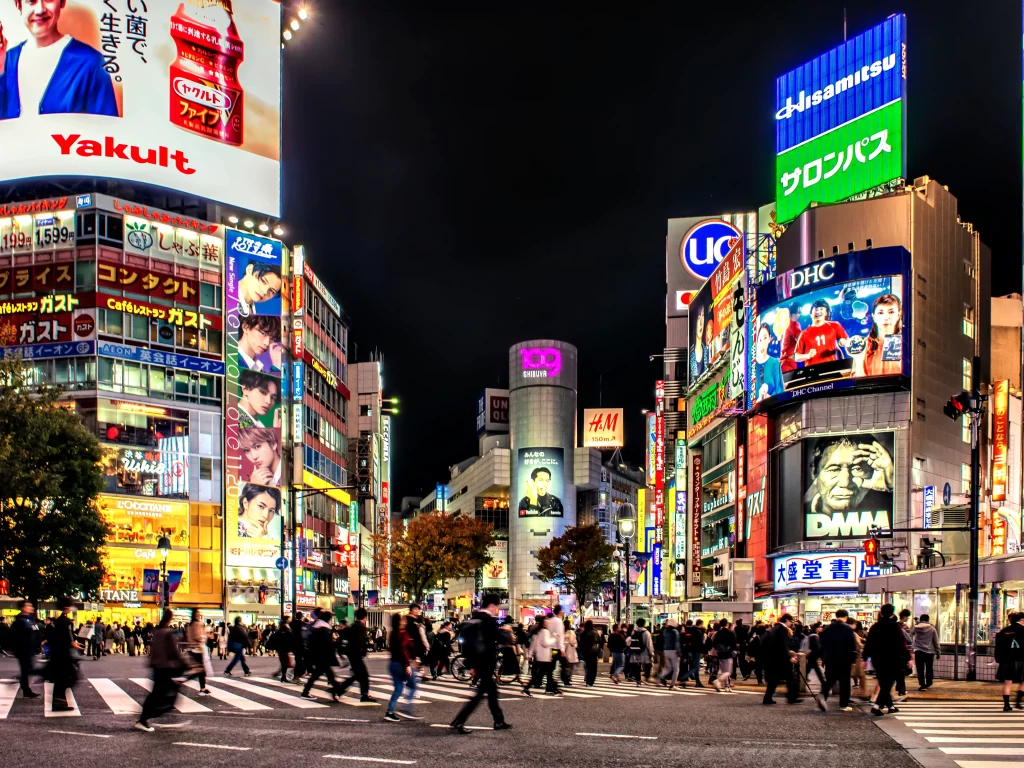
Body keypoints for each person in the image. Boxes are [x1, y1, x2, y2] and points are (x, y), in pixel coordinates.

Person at [0, 0, 119, 120]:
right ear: (18, 5)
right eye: (31, 1)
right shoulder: (7, 60)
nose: (40, 10)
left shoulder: (91, 62)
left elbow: (109, 129)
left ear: (62, 2)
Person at [450, 594, 511, 734]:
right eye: (496, 607)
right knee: (480, 694)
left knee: (491, 691)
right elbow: (498, 638)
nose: (497, 610)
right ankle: (460, 720)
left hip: (476, 660)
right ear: (491, 606)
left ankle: (498, 720)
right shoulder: (488, 620)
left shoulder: (474, 617)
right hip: (486, 660)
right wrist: (506, 632)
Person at [806, 435, 894, 518]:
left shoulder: (892, 511)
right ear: (814, 472)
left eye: (858, 469)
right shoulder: (797, 516)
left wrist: (893, 486)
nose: (845, 483)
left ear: (874, 472)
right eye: (833, 470)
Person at [136, 609, 189, 732]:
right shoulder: (167, 633)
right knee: (168, 694)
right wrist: (185, 663)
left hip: (157, 667)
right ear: (170, 619)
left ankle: (144, 717)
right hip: (166, 668)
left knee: (156, 694)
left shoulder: (157, 631)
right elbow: (174, 652)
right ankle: (146, 716)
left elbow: (154, 651)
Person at [863, 604, 910, 716]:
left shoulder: (875, 627)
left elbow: (869, 643)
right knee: (888, 683)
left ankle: (890, 706)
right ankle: (877, 706)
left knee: (884, 682)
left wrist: (865, 658)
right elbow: (900, 643)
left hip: (878, 659)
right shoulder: (894, 627)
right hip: (893, 658)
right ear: (892, 613)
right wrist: (908, 657)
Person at [384, 613, 421, 722]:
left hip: (392, 664)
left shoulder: (392, 634)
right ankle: (406, 709)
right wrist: (407, 665)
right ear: (399, 622)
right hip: (402, 664)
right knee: (413, 685)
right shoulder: (403, 633)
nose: (405, 622)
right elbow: (403, 650)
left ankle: (390, 711)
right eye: (403, 620)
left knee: (398, 689)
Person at [854, 293, 902, 377]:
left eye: (891, 312)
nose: (886, 317)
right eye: (880, 313)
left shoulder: (907, 342)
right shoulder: (864, 345)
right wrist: (858, 359)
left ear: (898, 315)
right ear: (874, 317)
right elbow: (858, 383)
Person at [46, 597, 80, 712]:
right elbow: (64, 638)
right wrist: (72, 644)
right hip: (63, 655)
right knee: (66, 678)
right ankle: (59, 703)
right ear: (66, 607)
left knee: (62, 678)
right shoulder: (64, 622)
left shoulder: (60, 621)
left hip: (59, 654)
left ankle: (59, 703)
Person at [301, 609, 342, 701]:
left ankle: (306, 691)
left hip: (317, 655)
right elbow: (326, 644)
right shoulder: (323, 629)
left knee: (318, 675)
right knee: (329, 675)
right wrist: (335, 644)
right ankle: (338, 690)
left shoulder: (317, 626)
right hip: (322, 656)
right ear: (328, 619)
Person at [794, 299, 849, 366]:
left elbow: (847, 342)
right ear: (811, 314)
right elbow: (796, 357)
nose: (818, 312)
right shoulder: (804, 334)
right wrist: (807, 356)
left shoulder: (835, 326)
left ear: (826, 312)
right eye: (816, 309)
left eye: (821, 309)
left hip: (832, 369)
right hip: (813, 371)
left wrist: (843, 342)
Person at [820, 609, 857, 711]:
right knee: (844, 682)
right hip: (844, 659)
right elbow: (851, 646)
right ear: (846, 617)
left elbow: (822, 644)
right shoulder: (847, 629)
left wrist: (823, 658)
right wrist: (852, 660)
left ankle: (823, 695)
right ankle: (843, 705)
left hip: (830, 658)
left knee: (830, 679)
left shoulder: (828, 628)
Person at [336, 608, 374, 702]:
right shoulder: (360, 627)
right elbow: (359, 641)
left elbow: (345, 635)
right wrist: (363, 651)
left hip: (352, 654)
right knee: (362, 675)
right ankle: (362, 695)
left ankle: (340, 690)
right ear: (365, 617)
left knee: (358, 675)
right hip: (356, 654)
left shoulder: (353, 626)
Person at [762, 614, 799, 705]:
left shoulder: (775, 628)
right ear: (786, 620)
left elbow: (778, 644)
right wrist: (789, 657)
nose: (791, 624)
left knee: (773, 680)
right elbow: (781, 645)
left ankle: (767, 698)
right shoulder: (782, 630)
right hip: (781, 659)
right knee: (790, 678)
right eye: (791, 621)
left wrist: (789, 651)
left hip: (773, 658)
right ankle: (791, 697)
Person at [9, 599, 39, 698]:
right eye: (28, 606)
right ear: (23, 608)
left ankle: (24, 686)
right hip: (23, 649)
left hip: (30, 649)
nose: (31, 608)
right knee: (27, 669)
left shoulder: (31, 619)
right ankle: (25, 688)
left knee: (28, 669)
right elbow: (14, 636)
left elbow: (35, 633)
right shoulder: (19, 621)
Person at [995, 611, 1024, 712]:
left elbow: (998, 647)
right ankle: (1018, 701)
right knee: (1023, 681)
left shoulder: (1003, 631)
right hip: (1020, 659)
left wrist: (998, 658)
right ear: (1021, 620)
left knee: (1007, 682)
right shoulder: (1022, 630)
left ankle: (1006, 705)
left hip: (1006, 660)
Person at [522, 615, 556, 696]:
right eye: (547, 620)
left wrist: (530, 655)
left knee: (541, 674)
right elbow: (546, 643)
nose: (548, 621)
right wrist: (554, 638)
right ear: (544, 622)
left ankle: (527, 687)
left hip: (539, 656)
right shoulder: (545, 632)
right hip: (545, 656)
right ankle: (552, 689)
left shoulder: (537, 631)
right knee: (548, 673)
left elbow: (533, 644)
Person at [754, 322, 784, 401]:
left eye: (765, 338)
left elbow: (780, 391)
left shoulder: (775, 363)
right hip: (754, 412)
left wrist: (768, 398)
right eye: (760, 339)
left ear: (769, 339)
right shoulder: (752, 366)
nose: (762, 342)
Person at [912, 613, 941, 691]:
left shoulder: (916, 627)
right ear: (928, 620)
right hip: (929, 652)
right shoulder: (932, 628)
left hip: (918, 651)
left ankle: (922, 684)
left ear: (920, 620)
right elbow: (936, 641)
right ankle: (929, 682)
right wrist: (938, 651)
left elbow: (910, 634)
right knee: (929, 668)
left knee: (920, 669)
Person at [186, 609, 211, 695]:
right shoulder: (198, 624)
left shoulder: (190, 624)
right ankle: (202, 688)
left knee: (198, 668)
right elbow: (198, 636)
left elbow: (189, 637)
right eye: (198, 613)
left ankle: (203, 687)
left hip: (192, 648)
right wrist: (204, 636)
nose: (199, 614)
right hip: (198, 648)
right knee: (200, 669)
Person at [679, 619, 705, 688]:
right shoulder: (698, 631)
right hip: (697, 650)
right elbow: (701, 643)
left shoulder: (691, 630)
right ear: (700, 624)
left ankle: (698, 681)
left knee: (695, 666)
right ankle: (684, 677)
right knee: (695, 667)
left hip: (691, 650)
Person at [712, 619, 737, 692]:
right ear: (727, 624)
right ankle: (718, 681)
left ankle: (727, 686)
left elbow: (714, 643)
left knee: (724, 671)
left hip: (720, 653)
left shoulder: (718, 633)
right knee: (728, 671)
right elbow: (734, 643)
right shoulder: (730, 632)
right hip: (728, 653)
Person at [895, 608, 913, 702]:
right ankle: (901, 692)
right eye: (907, 617)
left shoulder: (895, 625)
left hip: (895, 653)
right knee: (901, 674)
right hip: (903, 653)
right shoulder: (905, 628)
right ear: (904, 617)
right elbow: (908, 642)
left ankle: (899, 691)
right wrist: (910, 655)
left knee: (898, 674)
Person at [547, 606, 568, 686]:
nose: (563, 612)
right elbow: (559, 635)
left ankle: (549, 682)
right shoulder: (559, 622)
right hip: (557, 647)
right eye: (562, 610)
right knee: (565, 664)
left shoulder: (550, 621)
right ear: (559, 611)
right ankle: (564, 680)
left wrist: (553, 636)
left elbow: (552, 633)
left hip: (551, 647)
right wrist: (562, 648)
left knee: (551, 666)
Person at [657, 618, 681, 689]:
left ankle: (660, 677)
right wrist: (679, 652)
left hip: (666, 651)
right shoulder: (675, 632)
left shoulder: (665, 631)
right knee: (676, 669)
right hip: (673, 651)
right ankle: (672, 685)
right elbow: (677, 643)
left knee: (668, 668)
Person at [270, 615, 294, 683]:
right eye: (289, 619)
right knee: (285, 663)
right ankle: (283, 677)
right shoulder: (285, 627)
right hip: (284, 646)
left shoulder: (282, 627)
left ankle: (283, 676)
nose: (290, 620)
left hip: (281, 647)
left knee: (284, 662)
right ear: (286, 620)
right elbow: (288, 635)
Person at [632, 618, 654, 685]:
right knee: (648, 665)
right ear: (644, 624)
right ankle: (647, 679)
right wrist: (651, 653)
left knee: (637, 667)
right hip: (644, 653)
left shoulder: (634, 632)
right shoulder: (646, 633)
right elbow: (649, 644)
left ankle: (638, 680)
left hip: (635, 652)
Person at [579, 620, 599, 687]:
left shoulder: (583, 633)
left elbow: (580, 644)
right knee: (593, 668)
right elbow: (599, 641)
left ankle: (588, 681)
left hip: (586, 653)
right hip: (593, 652)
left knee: (588, 667)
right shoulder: (595, 633)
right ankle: (590, 682)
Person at [292, 611, 307, 679]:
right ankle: (298, 674)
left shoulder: (292, 623)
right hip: (301, 644)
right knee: (302, 660)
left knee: (298, 660)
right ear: (301, 617)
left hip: (294, 644)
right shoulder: (303, 624)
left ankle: (297, 674)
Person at [563, 619, 578, 685]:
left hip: (563, 649)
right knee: (570, 666)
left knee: (565, 665)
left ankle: (566, 678)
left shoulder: (562, 631)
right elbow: (572, 641)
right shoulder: (571, 632)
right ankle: (568, 678)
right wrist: (575, 645)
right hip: (570, 649)